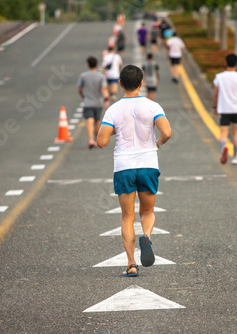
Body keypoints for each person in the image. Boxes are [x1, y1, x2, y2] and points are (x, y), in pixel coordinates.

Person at [97, 65, 171, 277]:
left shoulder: (113, 110)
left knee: (127, 217)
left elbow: (101, 141)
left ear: (120, 83)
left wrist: (114, 132)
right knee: (147, 212)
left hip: (124, 167)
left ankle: (131, 264)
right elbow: (167, 132)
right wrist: (157, 142)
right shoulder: (152, 106)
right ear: (141, 83)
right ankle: (146, 236)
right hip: (148, 164)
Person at [213, 53, 237, 165]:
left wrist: (215, 107)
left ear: (226, 63)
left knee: (223, 132)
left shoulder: (219, 77)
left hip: (224, 108)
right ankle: (235, 157)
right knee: (236, 132)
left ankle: (223, 149)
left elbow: (216, 94)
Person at [77, 56, 110, 149]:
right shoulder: (101, 77)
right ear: (96, 65)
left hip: (88, 102)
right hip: (98, 103)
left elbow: (79, 89)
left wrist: (83, 95)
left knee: (89, 121)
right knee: (97, 122)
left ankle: (90, 140)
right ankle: (96, 140)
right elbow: (104, 89)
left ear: (88, 65)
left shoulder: (83, 76)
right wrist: (106, 99)